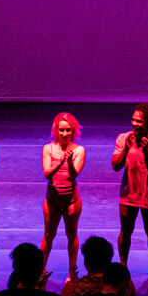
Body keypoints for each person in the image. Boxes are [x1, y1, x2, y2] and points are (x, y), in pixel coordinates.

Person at [112, 104, 148, 283]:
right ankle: (123, 266)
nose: (134, 124)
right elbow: (115, 165)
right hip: (128, 194)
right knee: (125, 231)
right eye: (133, 120)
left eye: (139, 121)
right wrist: (126, 149)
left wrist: (145, 152)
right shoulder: (123, 138)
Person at [40, 112, 86, 282]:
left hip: (71, 201)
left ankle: (71, 273)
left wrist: (68, 162)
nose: (65, 134)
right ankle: (41, 269)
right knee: (48, 235)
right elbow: (47, 173)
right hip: (52, 200)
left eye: (68, 130)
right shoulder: (48, 148)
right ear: (56, 131)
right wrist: (61, 161)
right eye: (61, 130)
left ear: (72, 131)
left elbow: (74, 174)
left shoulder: (79, 150)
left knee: (71, 235)